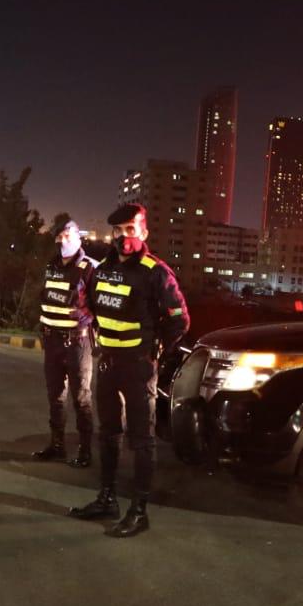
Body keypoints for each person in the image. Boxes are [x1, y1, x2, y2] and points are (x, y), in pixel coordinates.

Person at [70, 202, 189, 537]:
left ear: (143, 232)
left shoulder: (156, 272)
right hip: (108, 362)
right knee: (108, 433)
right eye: (119, 231)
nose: (124, 237)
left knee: (141, 439)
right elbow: (92, 307)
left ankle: (139, 511)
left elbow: (180, 320)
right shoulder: (102, 269)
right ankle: (107, 499)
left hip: (138, 367)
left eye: (131, 229)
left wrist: (156, 350)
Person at [32, 220, 99, 468]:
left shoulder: (90, 267)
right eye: (59, 235)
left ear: (78, 237)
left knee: (81, 398)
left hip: (76, 341)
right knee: (55, 396)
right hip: (51, 340)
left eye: (67, 234)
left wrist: (89, 315)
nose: (63, 239)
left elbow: (101, 305)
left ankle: (85, 451)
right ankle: (57, 446)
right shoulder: (52, 265)